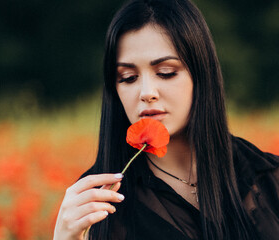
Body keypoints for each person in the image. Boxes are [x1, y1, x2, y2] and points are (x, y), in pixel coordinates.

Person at [53, 0, 279, 239]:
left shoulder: (267, 178)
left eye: (166, 73)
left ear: (202, 75)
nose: (146, 92)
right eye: (128, 78)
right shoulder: (98, 202)